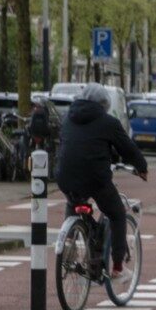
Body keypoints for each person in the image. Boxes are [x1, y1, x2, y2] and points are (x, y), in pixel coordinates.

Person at [56, 83, 148, 283]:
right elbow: (128, 148)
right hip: (95, 178)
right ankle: (117, 268)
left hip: (65, 176)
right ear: (103, 105)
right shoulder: (108, 122)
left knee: (73, 200)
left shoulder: (67, 118)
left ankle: (69, 244)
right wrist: (141, 167)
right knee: (116, 213)